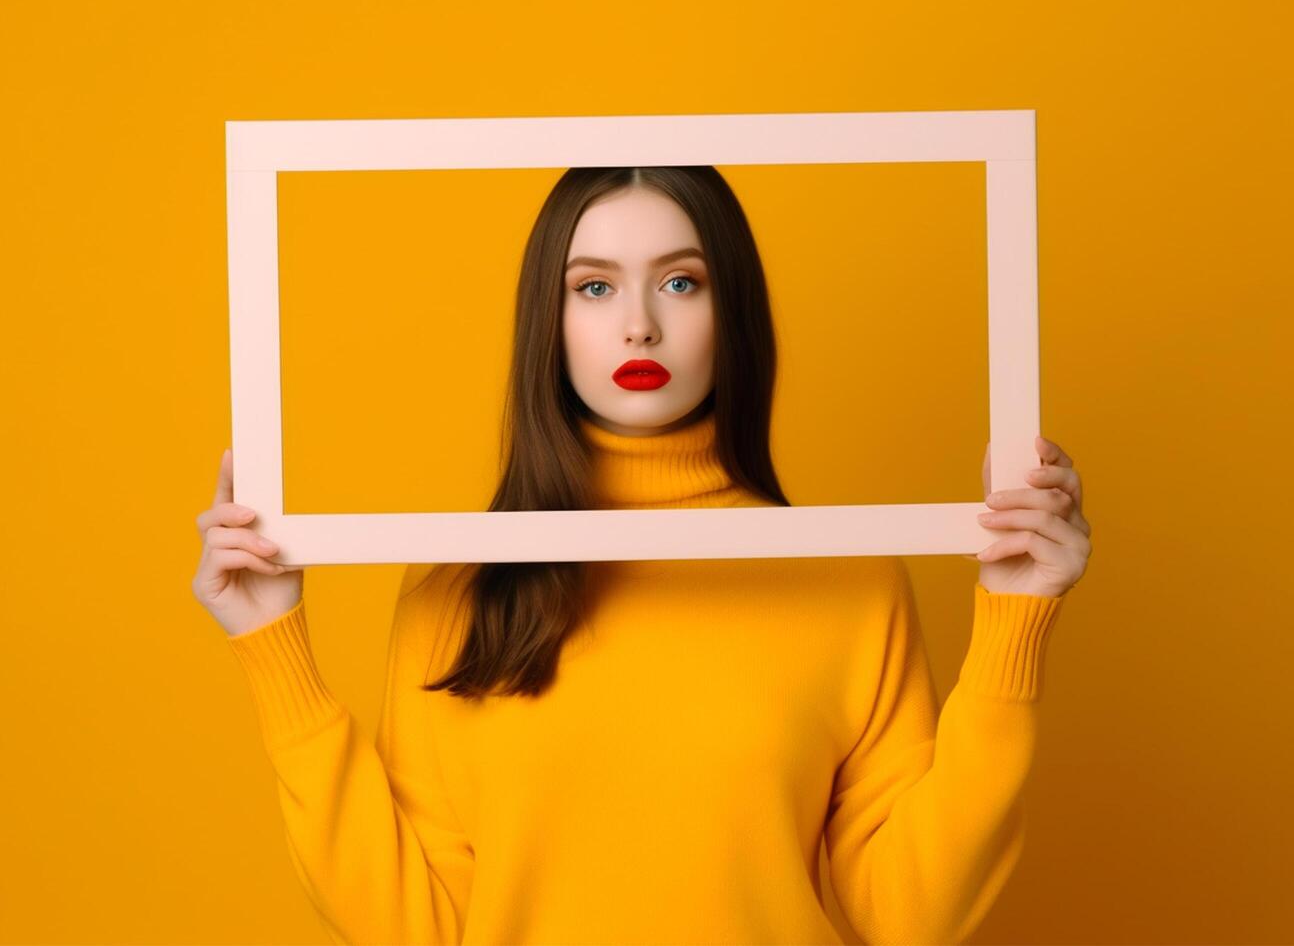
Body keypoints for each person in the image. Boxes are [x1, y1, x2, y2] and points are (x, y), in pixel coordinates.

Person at [191, 167, 1092, 945]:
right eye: (593, 287)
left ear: (731, 309)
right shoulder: (456, 589)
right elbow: (412, 925)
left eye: (679, 283)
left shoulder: (847, 579)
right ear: (548, 318)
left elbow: (909, 913)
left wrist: (1015, 620)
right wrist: (277, 650)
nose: (637, 328)